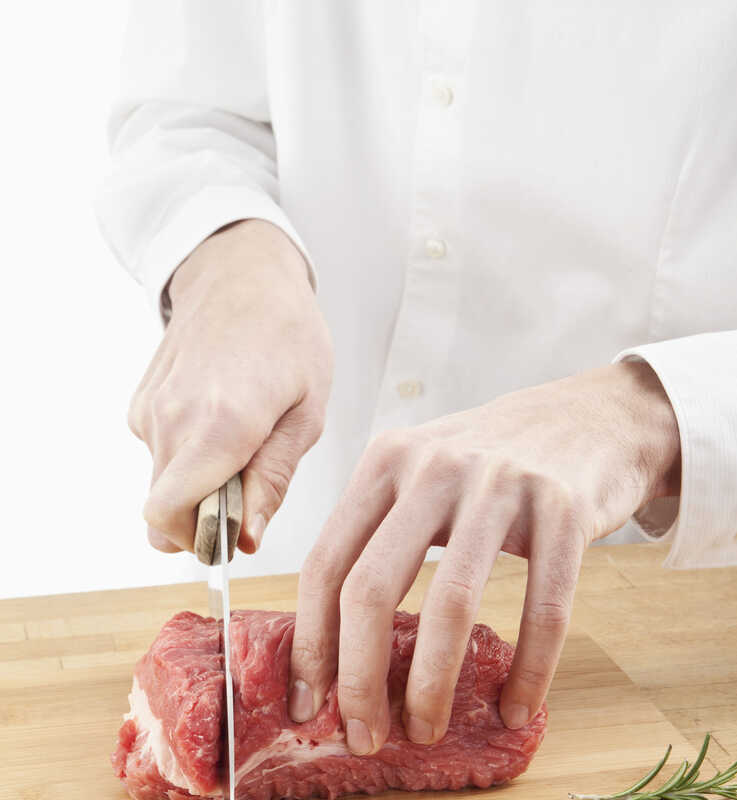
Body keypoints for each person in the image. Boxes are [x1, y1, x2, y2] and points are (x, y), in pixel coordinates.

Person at [98, 1, 737, 758]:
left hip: (666, 622)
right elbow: (188, 104)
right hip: (298, 545)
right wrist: (228, 256)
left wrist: (654, 415)